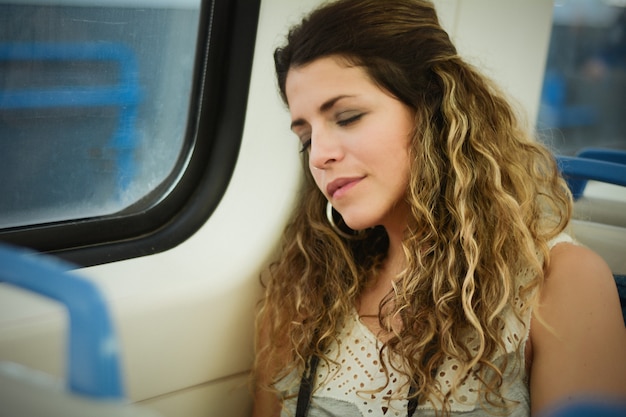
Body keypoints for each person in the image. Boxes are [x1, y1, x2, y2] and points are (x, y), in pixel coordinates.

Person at [252, 1, 626, 416]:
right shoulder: (305, 289)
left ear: (432, 109)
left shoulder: (560, 282)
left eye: (348, 117)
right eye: (305, 138)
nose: (318, 155)